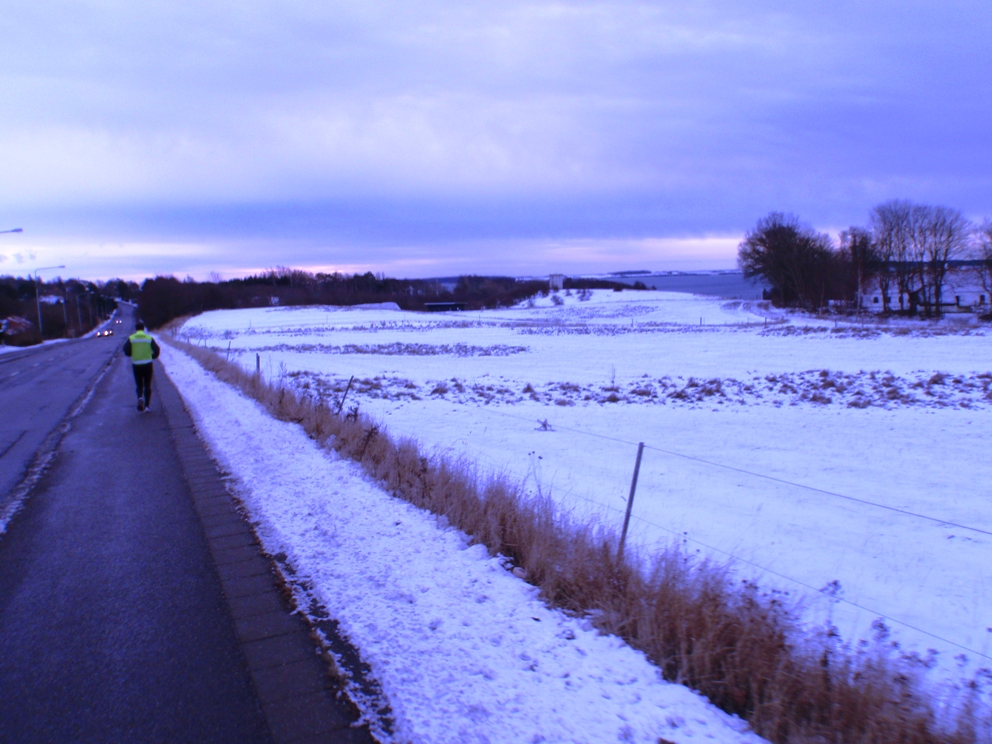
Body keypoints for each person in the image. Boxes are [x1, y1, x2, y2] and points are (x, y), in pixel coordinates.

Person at [123, 321, 161, 412]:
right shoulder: (149, 338)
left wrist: (132, 354)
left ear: (136, 329)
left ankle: (140, 397)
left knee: (139, 385)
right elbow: (157, 349)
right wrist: (152, 356)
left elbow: (125, 350)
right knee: (147, 385)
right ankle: (147, 406)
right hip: (148, 364)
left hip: (136, 364)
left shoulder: (131, 338)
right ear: (143, 329)